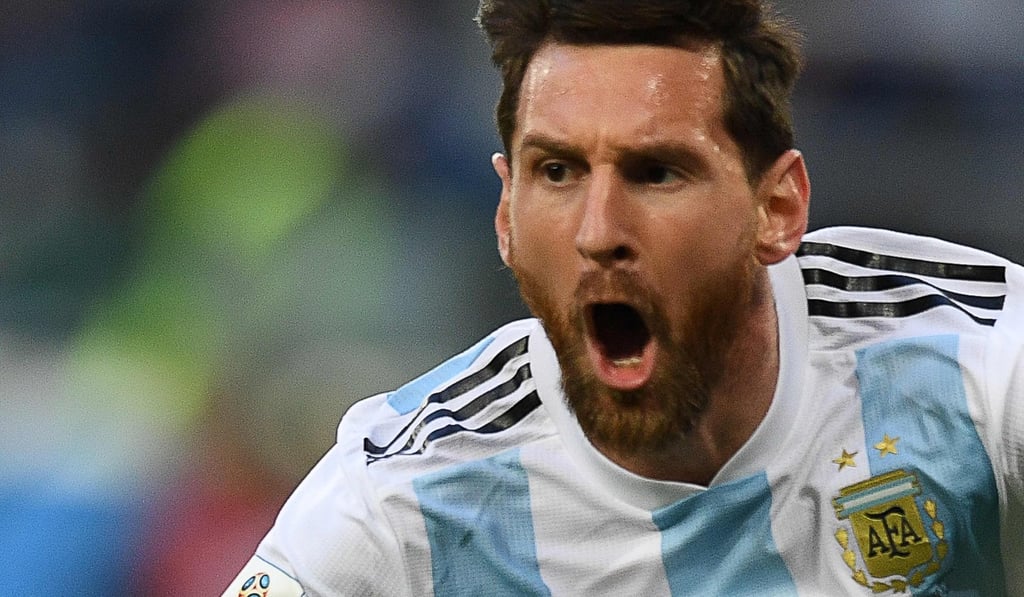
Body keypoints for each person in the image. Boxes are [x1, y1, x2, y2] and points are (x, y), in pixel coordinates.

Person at [222, 1, 1024, 594]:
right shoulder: (402, 503)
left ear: (775, 209)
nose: (598, 230)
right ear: (506, 216)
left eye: (656, 172)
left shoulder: (971, 361)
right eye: (558, 172)